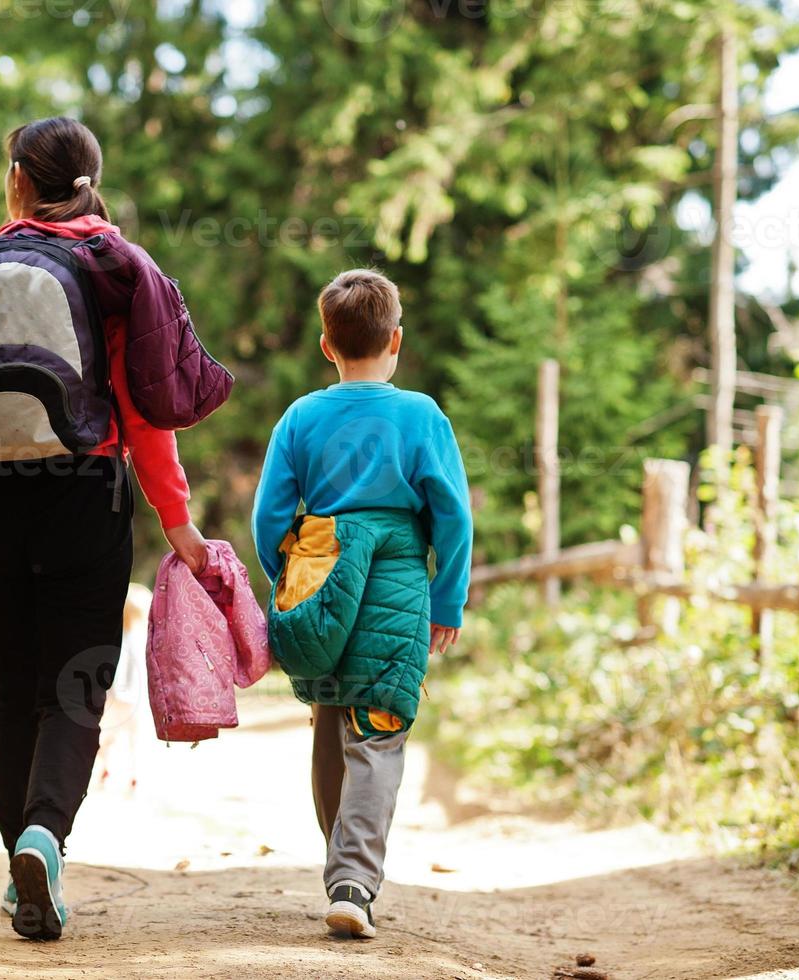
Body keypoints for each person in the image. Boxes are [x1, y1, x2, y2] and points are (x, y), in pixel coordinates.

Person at [0, 116, 231, 940]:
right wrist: (174, 522)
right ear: (88, 183)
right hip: (84, 490)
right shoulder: (107, 270)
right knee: (75, 683)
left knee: (11, 686)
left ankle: (18, 863)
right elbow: (145, 416)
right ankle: (45, 835)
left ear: (14, 183)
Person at [251, 268, 473, 939]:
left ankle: (340, 865)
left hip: (319, 574)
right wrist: (446, 601)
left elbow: (268, 519)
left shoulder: (302, 416)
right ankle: (353, 878)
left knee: (327, 720)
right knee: (375, 731)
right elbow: (452, 517)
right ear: (395, 340)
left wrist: (293, 585)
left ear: (326, 344)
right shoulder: (420, 416)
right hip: (396, 584)